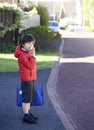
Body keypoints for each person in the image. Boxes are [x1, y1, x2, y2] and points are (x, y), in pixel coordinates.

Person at [14, 34, 38, 124]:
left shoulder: (27, 52)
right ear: (23, 44)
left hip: (31, 77)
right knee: (26, 98)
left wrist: (31, 54)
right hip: (26, 79)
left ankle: (28, 113)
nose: (31, 45)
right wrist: (33, 56)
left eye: (32, 43)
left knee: (30, 97)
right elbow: (29, 65)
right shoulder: (22, 55)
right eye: (28, 43)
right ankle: (25, 116)